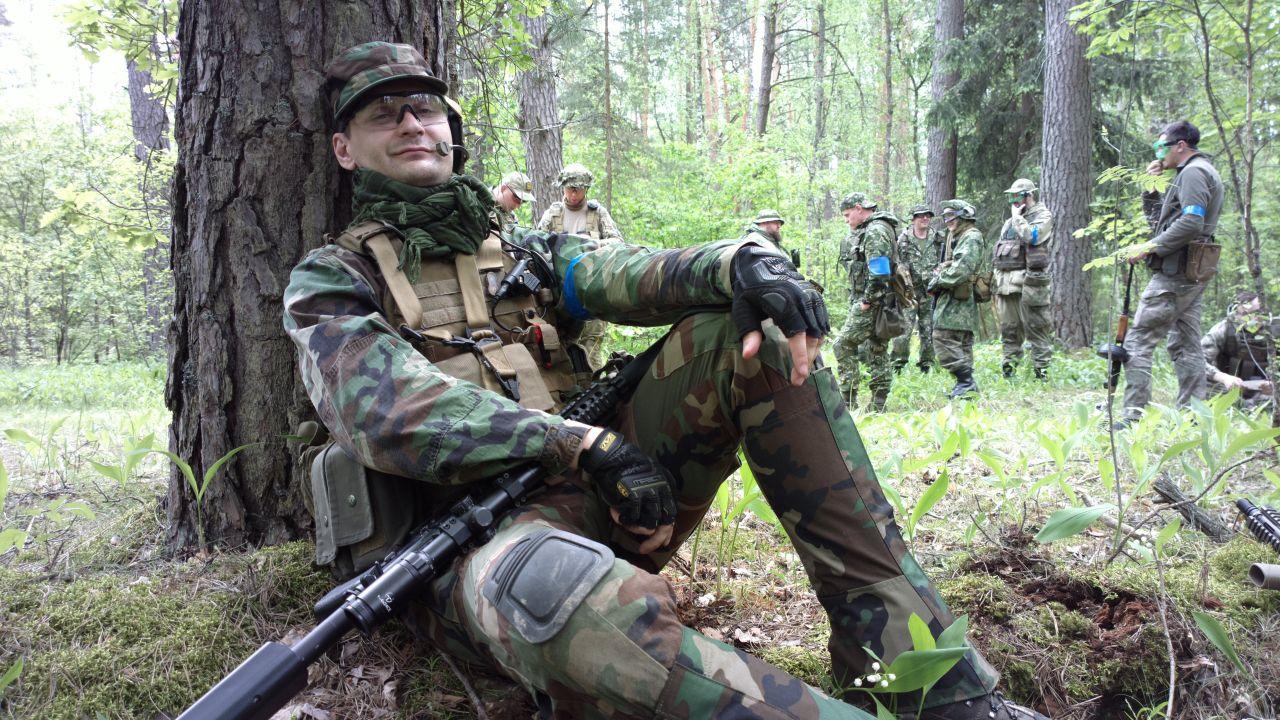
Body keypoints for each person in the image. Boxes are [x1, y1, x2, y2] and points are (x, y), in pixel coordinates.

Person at [284, 41, 1044, 720]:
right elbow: (385, 409)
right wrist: (578, 444)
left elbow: (624, 273)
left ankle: (928, 681)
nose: (412, 124)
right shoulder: (333, 278)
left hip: (615, 492)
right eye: (384, 114)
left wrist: (740, 261)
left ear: (450, 129)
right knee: (552, 594)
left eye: (424, 109)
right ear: (345, 150)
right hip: (471, 550)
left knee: (747, 337)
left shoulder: (525, 251)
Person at [1118, 120, 1225, 427]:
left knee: (1138, 340)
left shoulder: (1193, 172)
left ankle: (1132, 417)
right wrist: (1150, 190)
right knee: (1186, 344)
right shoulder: (1194, 172)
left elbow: (1191, 223)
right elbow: (1161, 222)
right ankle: (1192, 417)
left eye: (1161, 147)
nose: (1158, 153)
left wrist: (1149, 247)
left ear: (1181, 145)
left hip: (1175, 272)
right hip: (1190, 271)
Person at [537, 163, 622, 370]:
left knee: (591, 346)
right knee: (562, 345)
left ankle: (593, 384)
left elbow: (618, 242)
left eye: (579, 189)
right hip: (561, 294)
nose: (574, 194)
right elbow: (537, 244)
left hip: (591, 290)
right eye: (570, 189)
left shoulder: (597, 213)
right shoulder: (553, 214)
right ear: (563, 188)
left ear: (586, 189)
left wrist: (592, 245)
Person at [831, 193, 906, 412]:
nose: (846, 220)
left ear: (858, 208)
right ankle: (878, 404)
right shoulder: (880, 227)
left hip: (873, 302)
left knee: (842, 344)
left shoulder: (875, 231)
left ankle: (848, 402)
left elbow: (880, 271)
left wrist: (866, 301)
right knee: (877, 349)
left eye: (847, 215)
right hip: (884, 301)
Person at [991, 179, 1055, 381]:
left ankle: (1041, 373)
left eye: (1017, 197)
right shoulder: (1009, 222)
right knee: (1009, 330)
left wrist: (1017, 218)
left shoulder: (1043, 216)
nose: (1014, 201)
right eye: (1011, 197)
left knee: (1037, 328)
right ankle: (1009, 370)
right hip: (1006, 286)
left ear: (1029, 195)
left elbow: (1032, 237)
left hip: (1031, 284)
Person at [928, 200, 986, 398]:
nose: (948, 221)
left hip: (959, 298)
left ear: (964, 215)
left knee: (942, 337)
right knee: (961, 343)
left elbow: (962, 269)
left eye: (951, 216)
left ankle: (965, 382)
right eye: (945, 217)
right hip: (956, 297)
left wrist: (937, 281)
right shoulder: (958, 236)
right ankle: (967, 388)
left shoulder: (971, 237)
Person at [890, 204, 943, 374]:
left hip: (930, 291)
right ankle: (897, 365)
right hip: (908, 292)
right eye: (921, 216)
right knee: (903, 330)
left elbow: (944, 259)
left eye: (928, 215)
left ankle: (927, 364)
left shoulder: (937, 238)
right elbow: (896, 262)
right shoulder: (903, 239)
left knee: (929, 329)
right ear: (913, 219)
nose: (925, 218)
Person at [1202, 291, 1275, 410]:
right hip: (1228, 388)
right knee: (1202, 384)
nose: (1253, 319)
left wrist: (1275, 383)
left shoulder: (1275, 331)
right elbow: (1197, 360)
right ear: (1236, 314)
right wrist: (1223, 378)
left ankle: (1254, 406)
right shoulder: (1223, 329)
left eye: (1257, 313)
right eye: (1246, 314)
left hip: (1266, 391)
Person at [490, 170, 535, 235]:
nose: (518, 206)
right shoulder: (480, 204)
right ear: (503, 189)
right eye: (517, 199)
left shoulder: (511, 216)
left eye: (523, 201)